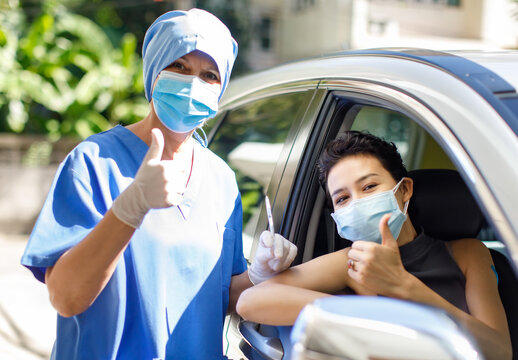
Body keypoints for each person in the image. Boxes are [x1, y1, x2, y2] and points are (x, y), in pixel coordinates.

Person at [20, 8, 296, 360]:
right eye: (179, 66)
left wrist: (259, 274)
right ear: (153, 71)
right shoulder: (92, 162)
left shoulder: (221, 180)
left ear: (221, 88)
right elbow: (66, 297)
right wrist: (131, 206)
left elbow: (214, 297)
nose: (193, 83)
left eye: (209, 75)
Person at [236, 131, 512, 360]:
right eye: (342, 199)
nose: (357, 203)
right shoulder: (352, 262)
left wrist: (403, 286)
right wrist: (361, 312)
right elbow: (251, 301)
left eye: (368, 187)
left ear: (404, 190)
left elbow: (498, 351)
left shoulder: (467, 253)